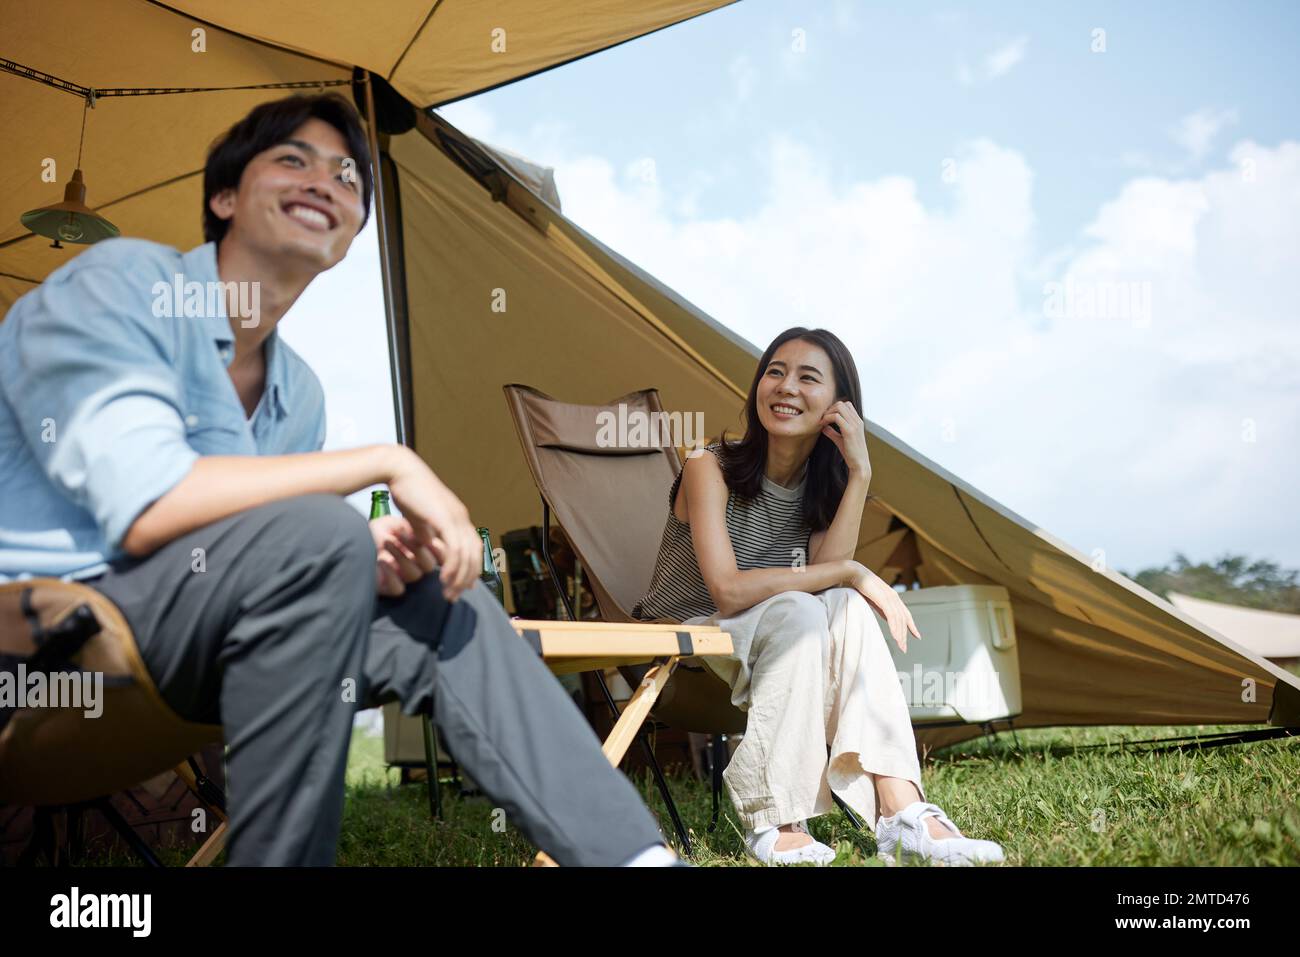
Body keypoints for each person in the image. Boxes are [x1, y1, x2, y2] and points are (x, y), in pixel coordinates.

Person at [0, 92, 679, 867]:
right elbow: (150, 505)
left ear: (353, 233)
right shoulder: (124, 283)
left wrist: (366, 553)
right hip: (37, 651)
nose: (326, 179)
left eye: (349, 175)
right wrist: (387, 464)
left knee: (433, 602)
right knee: (320, 533)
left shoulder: (300, 394)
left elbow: (244, 551)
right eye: (293, 159)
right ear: (224, 197)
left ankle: (638, 860)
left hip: (177, 645)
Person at [632, 327, 1005, 866]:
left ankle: (901, 807)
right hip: (689, 645)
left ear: (839, 407)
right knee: (806, 605)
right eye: (775, 372)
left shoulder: (817, 488)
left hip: (779, 643)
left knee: (837, 605)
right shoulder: (706, 465)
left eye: (808, 378)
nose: (785, 387)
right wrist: (853, 571)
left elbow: (830, 579)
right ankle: (775, 818)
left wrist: (860, 471)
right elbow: (729, 590)